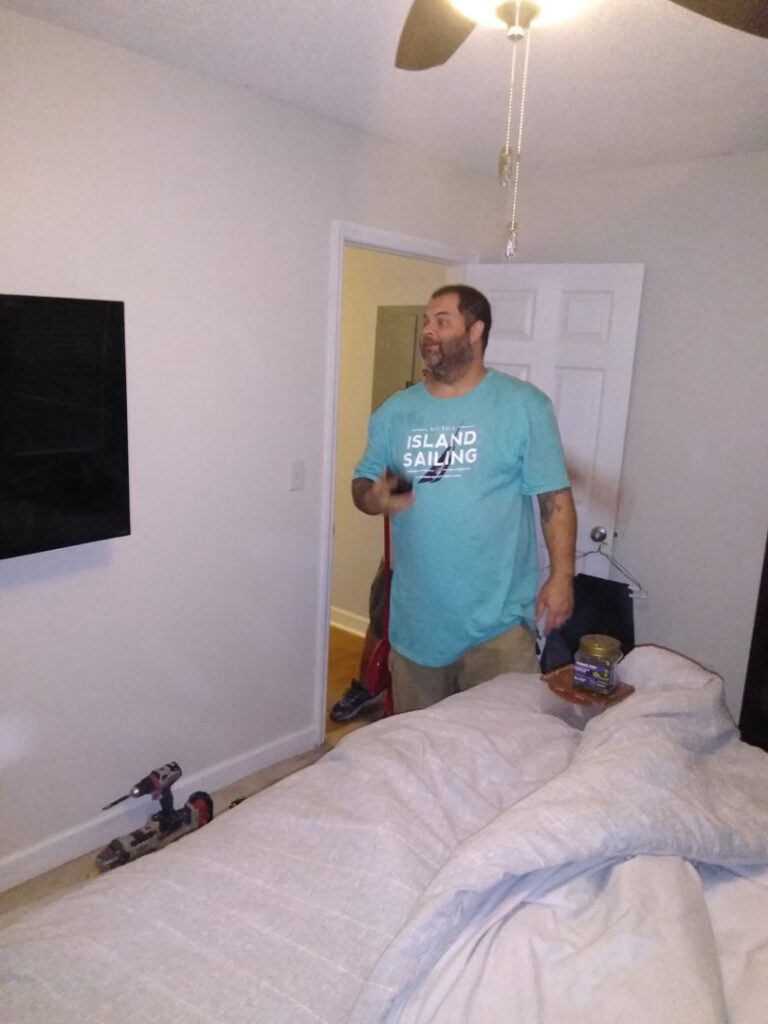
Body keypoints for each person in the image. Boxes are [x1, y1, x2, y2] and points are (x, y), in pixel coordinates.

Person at [351, 284, 576, 713]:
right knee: (418, 753)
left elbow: (554, 496)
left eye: (442, 320)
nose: (428, 331)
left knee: (504, 750)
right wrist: (374, 497)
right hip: (416, 627)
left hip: (498, 627)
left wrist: (562, 576)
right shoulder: (395, 413)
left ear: (475, 332)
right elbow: (361, 485)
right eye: (425, 321)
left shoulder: (523, 406)